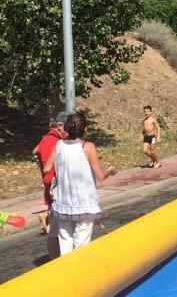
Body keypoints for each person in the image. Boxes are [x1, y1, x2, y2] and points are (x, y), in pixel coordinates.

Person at [43, 112, 117, 255]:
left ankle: (66, 273)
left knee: (65, 245)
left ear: (66, 128)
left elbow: (47, 168)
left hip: (63, 205)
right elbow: (100, 176)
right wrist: (110, 170)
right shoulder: (88, 147)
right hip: (84, 204)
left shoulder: (58, 145)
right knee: (81, 249)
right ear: (85, 130)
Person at [32, 111, 68, 259]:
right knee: (57, 232)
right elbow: (48, 175)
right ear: (60, 126)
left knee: (58, 230)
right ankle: (56, 262)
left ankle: (57, 261)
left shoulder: (49, 138)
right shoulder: (52, 141)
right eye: (69, 127)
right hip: (56, 191)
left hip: (53, 191)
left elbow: (35, 151)